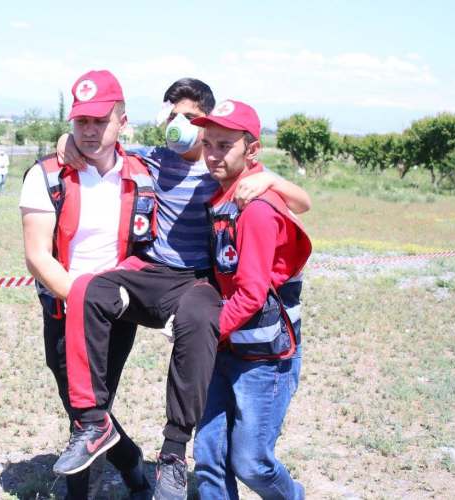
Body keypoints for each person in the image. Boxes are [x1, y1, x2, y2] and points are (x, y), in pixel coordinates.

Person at [55, 78, 312, 500]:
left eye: (192, 118)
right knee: (87, 290)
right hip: (165, 281)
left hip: (226, 310)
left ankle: (173, 453)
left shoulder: (235, 178)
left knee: (249, 459)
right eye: (174, 116)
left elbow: (299, 203)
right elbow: (102, 145)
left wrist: (272, 182)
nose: (183, 127)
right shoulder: (156, 159)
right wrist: (68, 139)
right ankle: (92, 422)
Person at [20, 69, 154, 499]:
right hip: (64, 311)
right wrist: (83, 301)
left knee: (91, 412)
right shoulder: (45, 175)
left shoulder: (144, 172)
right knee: (84, 411)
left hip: (118, 312)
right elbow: (37, 256)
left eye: (101, 120)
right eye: (82, 121)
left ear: (122, 122)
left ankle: (88, 490)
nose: (91, 130)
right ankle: (131, 464)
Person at [191, 100, 311, 500]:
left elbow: (251, 295)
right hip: (226, 348)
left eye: (224, 145)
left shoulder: (256, 209)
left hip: (263, 358)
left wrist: (204, 333)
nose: (212, 154)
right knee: (208, 456)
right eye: (207, 143)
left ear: (252, 149)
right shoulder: (223, 193)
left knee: (251, 462)